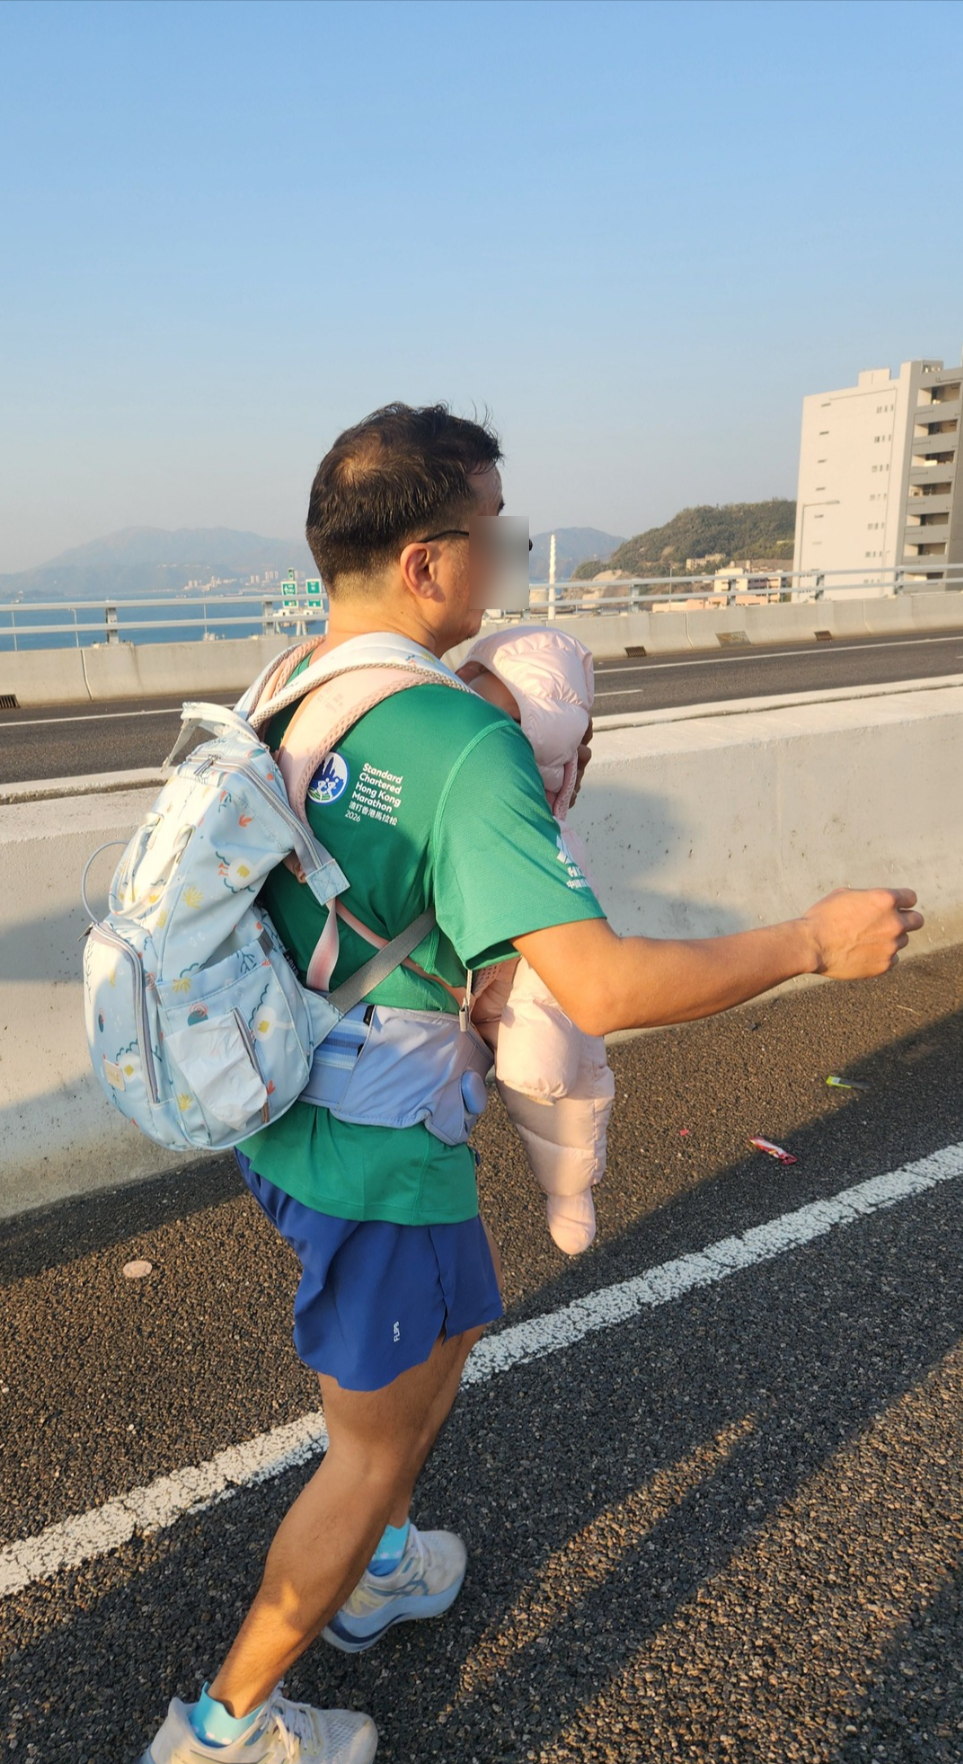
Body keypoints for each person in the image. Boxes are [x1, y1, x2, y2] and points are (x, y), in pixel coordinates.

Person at [137, 404, 922, 1764]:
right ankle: (221, 1729)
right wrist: (808, 941)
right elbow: (603, 986)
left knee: (438, 1355)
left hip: (283, 1108)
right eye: (492, 536)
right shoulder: (455, 742)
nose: (503, 564)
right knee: (368, 1445)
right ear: (431, 560)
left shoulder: (290, 685)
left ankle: (373, 1569)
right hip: (372, 1149)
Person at [460, 624, 612, 1255]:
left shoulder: (483, 694)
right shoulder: (554, 707)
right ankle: (569, 1191)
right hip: (532, 866)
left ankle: (569, 1189)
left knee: (548, 1053)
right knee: (564, 1054)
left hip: (513, 874)